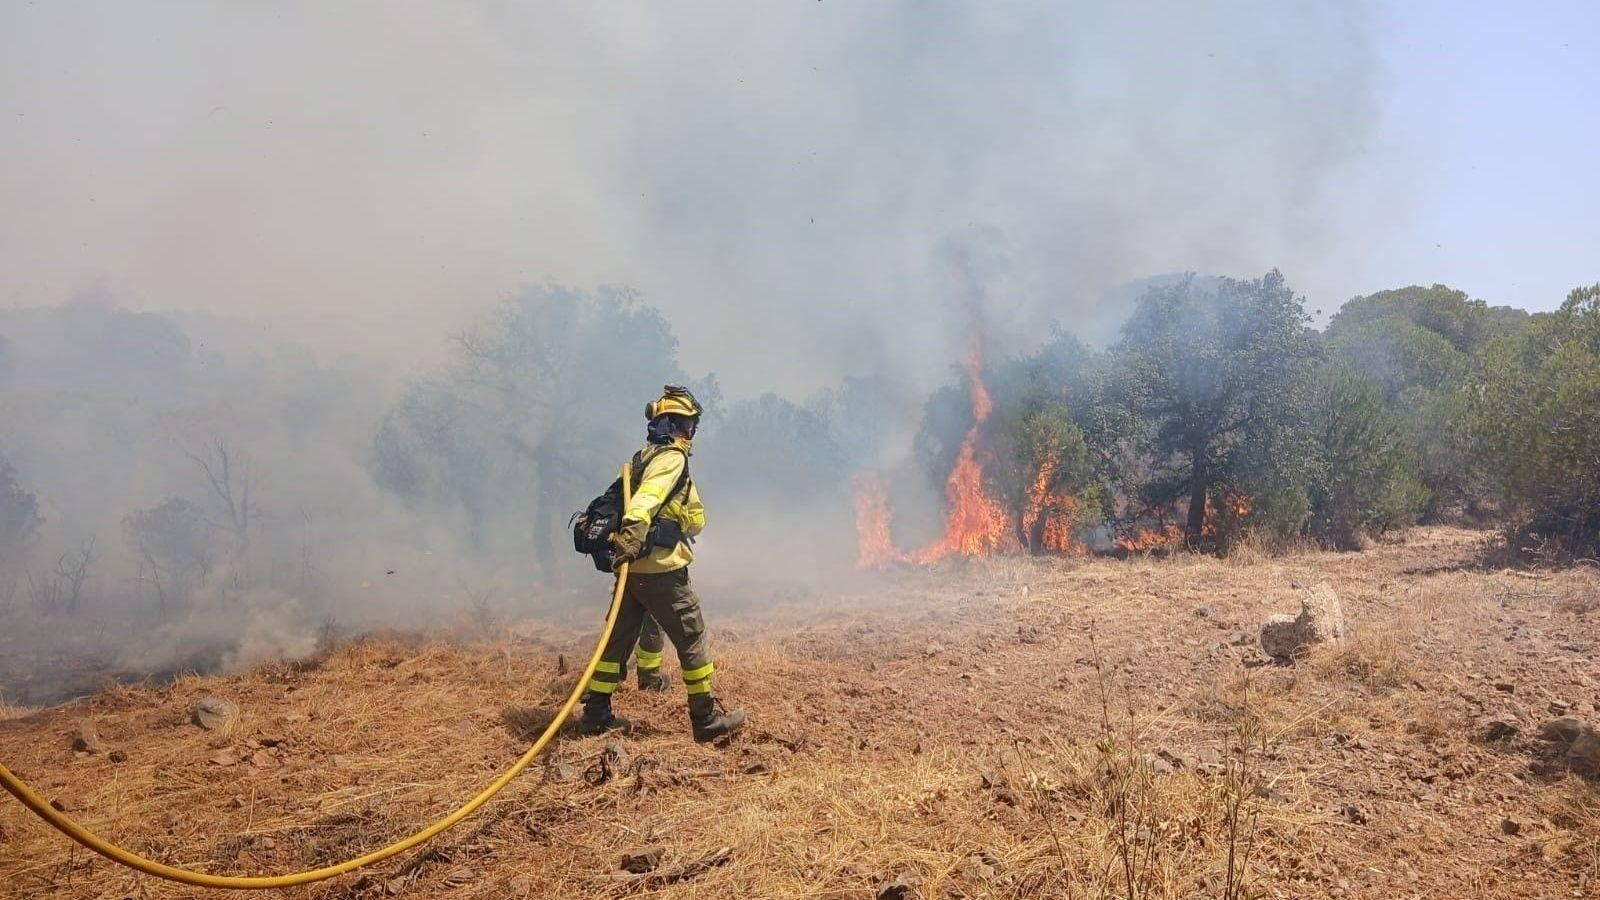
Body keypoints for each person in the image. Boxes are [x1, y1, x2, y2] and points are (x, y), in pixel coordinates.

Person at [578, 385, 747, 742]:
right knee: (692, 638)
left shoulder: (644, 457)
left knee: (616, 642)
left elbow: (694, 517)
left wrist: (672, 524)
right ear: (675, 425)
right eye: (688, 425)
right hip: (660, 570)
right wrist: (635, 532)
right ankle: (706, 720)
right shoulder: (671, 459)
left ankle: (595, 714)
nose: (691, 433)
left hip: (633, 570)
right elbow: (646, 501)